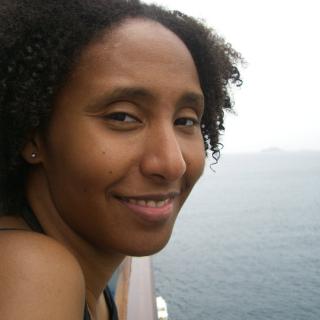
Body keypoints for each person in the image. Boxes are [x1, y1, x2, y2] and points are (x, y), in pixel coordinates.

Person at [0, 0, 242, 319]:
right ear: (33, 134)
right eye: (123, 117)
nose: (172, 163)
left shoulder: (82, 280)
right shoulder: (29, 271)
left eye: (185, 121)